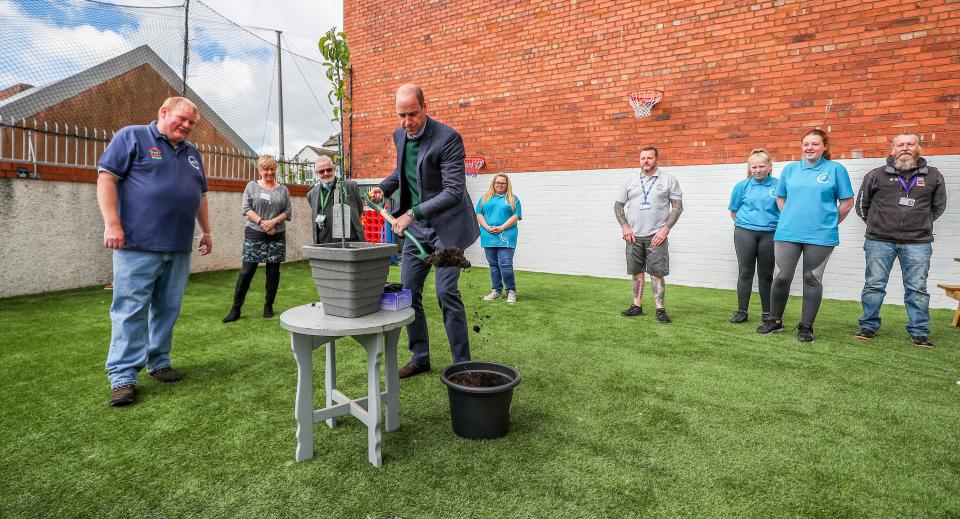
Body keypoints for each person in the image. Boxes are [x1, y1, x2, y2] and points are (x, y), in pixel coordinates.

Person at [96, 96, 212, 407]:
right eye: (182, 119)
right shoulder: (131, 136)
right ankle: (122, 376)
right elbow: (106, 177)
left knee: (168, 308)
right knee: (130, 310)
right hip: (136, 245)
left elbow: (200, 196)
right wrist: (112, 224)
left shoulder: (192, 154)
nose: (187, 126)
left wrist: (207, 231)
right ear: (163, 112)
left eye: (192, 123)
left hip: (178, 246)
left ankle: (158, 361)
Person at [367, 84, 480, 379]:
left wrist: (410, 213)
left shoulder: (448, 139)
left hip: (448, 229)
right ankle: (420, 357)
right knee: (408, 292)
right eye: (401, 115)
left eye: (413, 114)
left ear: (425, 108)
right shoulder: (400, 135)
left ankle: (461, 365)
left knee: (446, 292)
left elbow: (454, 191)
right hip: (417, 231)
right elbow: (403, 172)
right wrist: (384, 186)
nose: (407, 122)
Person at [756, 129, 854, 342]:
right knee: (782, 277)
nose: (809, 148)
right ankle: (774, 321)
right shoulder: (791, 170)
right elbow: (781, 198)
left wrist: (827, 223)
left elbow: (847, 203)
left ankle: (806, 326)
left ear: (825, 147)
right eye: (806, 144)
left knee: (812, 279)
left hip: (821, 236)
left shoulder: (836, 169)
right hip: (787, 233)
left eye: (815, 144)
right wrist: (790, 217)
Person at [854, 133, 947, 348]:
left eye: (910, 144)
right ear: (893, 149)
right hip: (879, 241)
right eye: (900, 144)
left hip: (918, 242)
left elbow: (938, 207)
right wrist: (878, 224)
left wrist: (920, 222)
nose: (905, 148)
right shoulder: (875, 175)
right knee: (874, 285)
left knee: (917, 288)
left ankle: (919, 331)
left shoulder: (934, 176)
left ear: (919, 148)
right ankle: (868, 325)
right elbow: (862, 206)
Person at [614, 146, 684, 323]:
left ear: (656, 160)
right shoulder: (630, 180)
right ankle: (637, 306)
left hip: (656, 236)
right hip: (633, 236)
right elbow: (618, 206)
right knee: (637, 272)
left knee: (656, 273)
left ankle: (660, 309)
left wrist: (665, 229)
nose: (645, 161)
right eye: (642, 158)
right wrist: (624, 227)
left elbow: (677, 207)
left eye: (649, 158)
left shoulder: (668, 180)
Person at [222, 155, 292, 323]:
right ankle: (236, 309)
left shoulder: (283, 189)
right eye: (266, 169)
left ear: (276, 169)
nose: (269, 172)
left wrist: (273, 222)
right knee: (246, 272)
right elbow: (246, 208)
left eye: (272, 168)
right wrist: (263, 223)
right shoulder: (251, 186)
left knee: (273, 272)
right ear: (259, 171)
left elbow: (288, 212)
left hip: (276, 234)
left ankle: (268, 306)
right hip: (255, 233)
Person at [727, 149, 780, 323]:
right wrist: (748, 225)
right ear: (750, 167)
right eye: (754, 167)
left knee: (766, 274)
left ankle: (767, 314)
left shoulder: (779, 185)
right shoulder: (742, 186)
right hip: (745, 233)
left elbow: (784, 210)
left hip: (770, 235)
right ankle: (742, 312)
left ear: (770, 167)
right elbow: (733, 211)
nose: (757, 170)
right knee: (745, 272)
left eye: (761, 166)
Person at [477, 174, 523, 304]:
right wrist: (486, 227)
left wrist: (502, 227)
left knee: (505, 264)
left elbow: (516, 216)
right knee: (493, 265)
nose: (500, 185)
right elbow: (479, 214)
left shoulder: (513, 199)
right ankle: (496, 291)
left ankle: (511, 291)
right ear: (493, 183)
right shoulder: (485, 198)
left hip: (506, 236)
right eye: (497, 182)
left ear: (507, 185)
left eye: (503, 183)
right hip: (488, 236)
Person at [306, 155, 366, 244]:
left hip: (350, 241)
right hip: (325, 243)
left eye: (329, 169)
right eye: (321, 171)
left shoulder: (350, 186)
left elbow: (359, 209)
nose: (326, 173)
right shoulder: (312, 194)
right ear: (316, 173)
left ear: (334, 169)